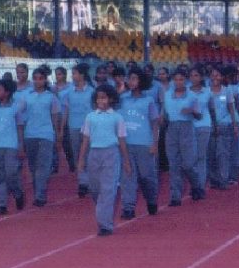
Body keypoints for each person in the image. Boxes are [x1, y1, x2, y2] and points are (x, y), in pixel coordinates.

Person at [78, 83, 129, 236]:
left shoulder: (117, 117)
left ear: (111, 99)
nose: (101, 101)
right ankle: (103, 212)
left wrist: (126, 160)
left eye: (104, 98)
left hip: (110, 153)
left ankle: (105, 224)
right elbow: (86, 139)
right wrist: (81, 159)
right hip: (94, 153)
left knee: (108, 189)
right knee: (95, 188)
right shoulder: (90, 117)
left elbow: (121, 140)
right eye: (99, 98)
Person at [119, 66, 162, 219]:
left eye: (134, 78)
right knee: (128, 175)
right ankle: (128, 207)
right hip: (127, 143)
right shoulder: (123, 99)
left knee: (147, 176)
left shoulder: (148, 100)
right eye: (129, 78)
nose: (131, 81)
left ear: (141, 81)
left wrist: (154, 143)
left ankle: (151, 200)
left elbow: (155, 123)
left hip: (144, 143)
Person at [20, 64, 62, 206]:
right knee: (32, 166)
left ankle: (40, 195)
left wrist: (57, 135)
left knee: (43, 165)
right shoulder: (27, 96)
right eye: (35, 78)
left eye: (40, 79)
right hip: (30, 134)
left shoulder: (51, 97)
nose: (38, 81)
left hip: (46, 134)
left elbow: (55, 117)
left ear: (45, 80)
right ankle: (38, 190)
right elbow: (19, 113)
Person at [163, 67, 204, 206]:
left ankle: (196, 185)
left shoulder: (192, 96)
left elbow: (199, 116)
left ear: (185, 80)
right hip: (172, 128)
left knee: (188, 163)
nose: (178, 82)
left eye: (181, 79)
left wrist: (192, 111)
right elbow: (165, 113)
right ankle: (175, 195)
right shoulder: (167, 94)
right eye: (176, 79)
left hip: (186, 127)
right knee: (173, 163)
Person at [0, 76, 25, 215]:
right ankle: (1, 204)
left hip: (11, 145)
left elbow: (20, 127)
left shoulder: (16, 108)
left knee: (11, 172)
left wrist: (21, 146)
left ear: (7, 92)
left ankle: (17, 192)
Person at [60, 61, 94, 194]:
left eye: (74, 73)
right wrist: (62, 129)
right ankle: (82, 181)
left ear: (82, 75)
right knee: (77, 154)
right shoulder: (69, 92)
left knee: (90, 154)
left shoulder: (92, 91)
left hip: (89, 128)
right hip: (74, 126)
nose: (72, 76)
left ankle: (91, 180)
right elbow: (66, 111)